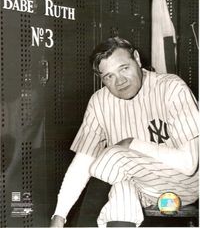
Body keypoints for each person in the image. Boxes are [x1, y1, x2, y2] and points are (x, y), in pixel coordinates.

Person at [50, 37, 199, 227]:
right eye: (109, 76)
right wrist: (59, 216)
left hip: (183, 187)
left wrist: (132, 143)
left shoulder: (171, 87)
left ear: (137, 58)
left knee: (114, 155)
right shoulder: (99, 102)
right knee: (121, 194)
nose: (119, 81)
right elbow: (82, 162)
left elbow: (188, 164)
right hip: (139, 186)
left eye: (124, 68)